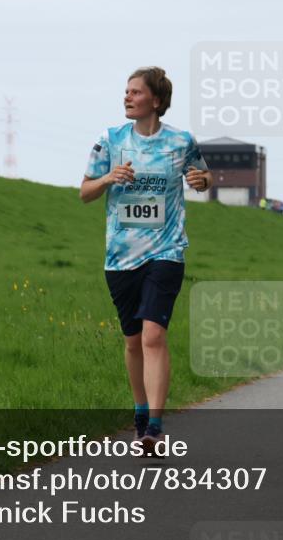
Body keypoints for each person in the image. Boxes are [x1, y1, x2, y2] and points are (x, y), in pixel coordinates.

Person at [81, 66, 212, 455]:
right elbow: (85, 192)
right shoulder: (110, 140)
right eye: (125, 91)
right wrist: (108, 180)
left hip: (166, 251)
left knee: (154, 335)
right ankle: (140, 412)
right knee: (134, 340)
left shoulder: (182, 141)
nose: (127, 97)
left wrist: (201, 181)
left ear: (155, 100)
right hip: (120, 256)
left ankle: (154, 425)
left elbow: (203, 176)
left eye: (135, 92)